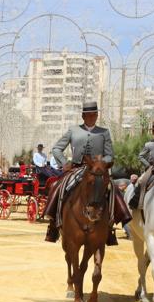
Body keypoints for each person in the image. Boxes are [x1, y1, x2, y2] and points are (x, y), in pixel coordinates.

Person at [46, 101, 128, 244]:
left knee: (113, 188)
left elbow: (110, 155)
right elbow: (56, 149)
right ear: (83, 116)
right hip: (76, 168)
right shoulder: (73, 130)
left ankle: (109, 227)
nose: (91, 117)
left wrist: (101, 162)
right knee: (56, 186)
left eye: (94, 114)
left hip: (97, 170)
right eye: (88, 115)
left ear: (97, 115)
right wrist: (64, 163)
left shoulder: (104, 132)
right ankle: (53, 225)